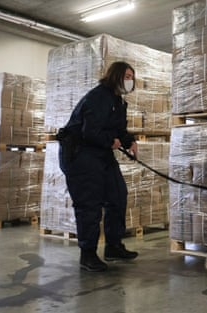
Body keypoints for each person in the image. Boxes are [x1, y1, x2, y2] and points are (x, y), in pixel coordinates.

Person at [58, 61, 139, 272]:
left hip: (101, 154)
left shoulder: (118, 101)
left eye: (132, 77)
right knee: (89, 205)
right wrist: (109, 141)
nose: (130, 81)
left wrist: (129, 141)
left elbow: (118, 128)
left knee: (118, 195)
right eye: (127, 76)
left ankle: (113, 246)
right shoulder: (99, 97)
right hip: (81, 154)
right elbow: (90, 130)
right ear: (116, 76)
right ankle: (88, 254)